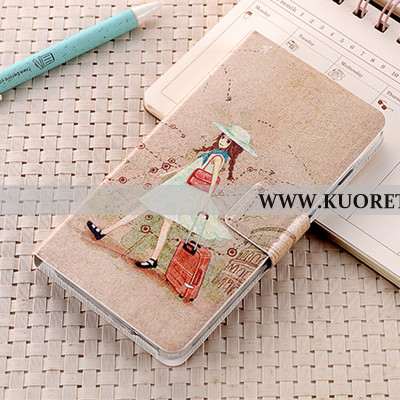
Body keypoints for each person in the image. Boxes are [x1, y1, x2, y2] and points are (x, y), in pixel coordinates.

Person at [87, 122, 257, 268]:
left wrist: (206, 198)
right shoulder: (213, 153)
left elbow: (213, 180)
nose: (223, 141)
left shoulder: (219, 157)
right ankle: (113, 237)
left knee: (157, 217)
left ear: (233, 146)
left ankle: (141, 252)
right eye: (223, 137)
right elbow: (191, 167)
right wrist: (170, 173)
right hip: (178, 187)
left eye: (227, 140)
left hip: (183, 191)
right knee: (154, 215)